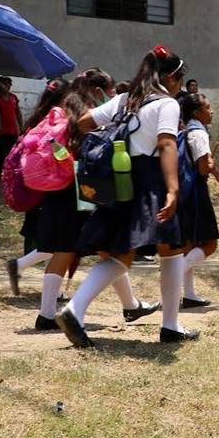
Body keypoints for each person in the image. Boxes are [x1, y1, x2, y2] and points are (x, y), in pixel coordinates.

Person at [55, 46, 196, 347]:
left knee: (120, 254)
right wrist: (173, 189)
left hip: (121, 181)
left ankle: (75, 309)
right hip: (151, 180)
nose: (181, 85)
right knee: (171, 249)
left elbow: (84, 122)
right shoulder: (167, 104)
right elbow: (167, 145)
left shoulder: (124, 100)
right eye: (181, 78)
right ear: (171, 77)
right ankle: (170, 326)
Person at [32, 78, 160, 331]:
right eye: (108, 90)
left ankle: (131, 304)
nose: (111, 94)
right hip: (77, 189)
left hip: (59, 188)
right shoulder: (82, 116)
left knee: (105, 251)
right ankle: (46, 314)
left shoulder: (52, 116)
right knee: (68, 249)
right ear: (94, 91)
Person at [6, 78, 70, 292]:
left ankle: (50, 287)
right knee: (59, 241)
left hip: (33, 187)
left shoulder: (35, 120)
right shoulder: (56, 122)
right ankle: (21, 267)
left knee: (55, 240)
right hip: (49, 188)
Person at [174, 92, 219, 310]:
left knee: (189, 245)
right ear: (196, 112)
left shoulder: (184, 130)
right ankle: (173, 276)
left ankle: (189, 294)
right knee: (209, 243)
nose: (211, 111)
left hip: (184, 192)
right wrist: (211, 164)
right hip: (196, 192)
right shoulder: (199, 133)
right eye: (207, 107)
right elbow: (203, 167)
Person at [0, 76, 23, 175]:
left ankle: (11, 171)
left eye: (9, 85)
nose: (7, 87)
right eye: (5, 84)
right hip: (0, 131)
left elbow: (18, 113)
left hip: (13, 130)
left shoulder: (13, 97)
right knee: (0, 154)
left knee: (13, 153)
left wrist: (21, 126)